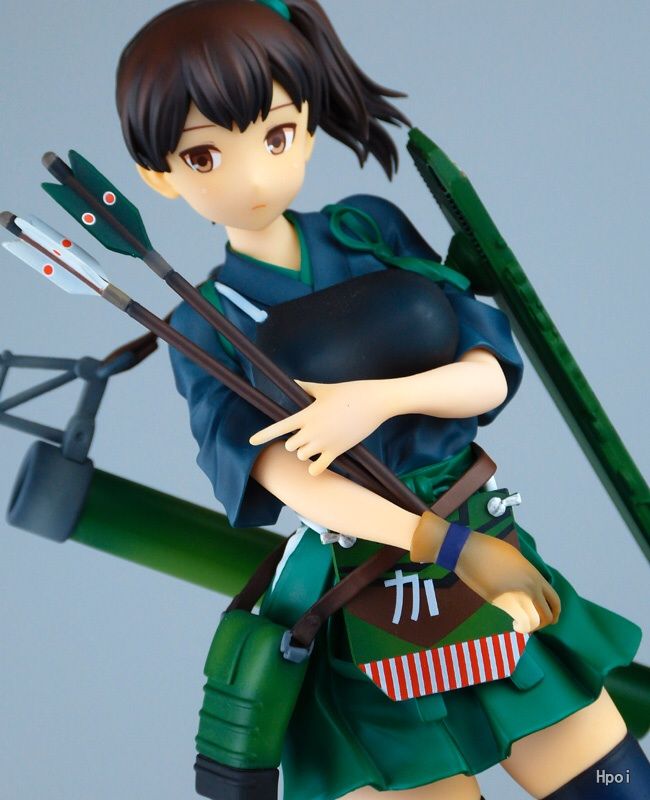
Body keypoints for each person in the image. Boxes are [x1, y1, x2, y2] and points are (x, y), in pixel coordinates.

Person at [116, 2, 647, 798]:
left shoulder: (369, 228)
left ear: (308, 129)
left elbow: (488, 372)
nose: (253, 176)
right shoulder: (203, 322)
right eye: (204, 155)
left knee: (614, 786)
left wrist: (372, 402)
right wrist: (445, 545)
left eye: (276, 135)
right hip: (365, 589)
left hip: (482, 531)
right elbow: (288, 480)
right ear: (158, 175)